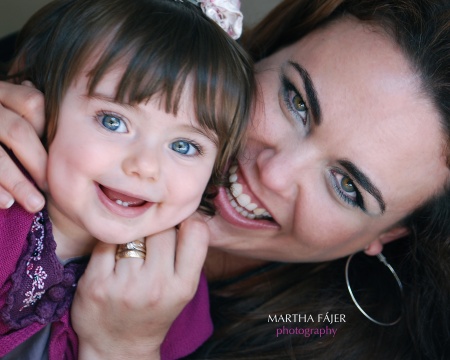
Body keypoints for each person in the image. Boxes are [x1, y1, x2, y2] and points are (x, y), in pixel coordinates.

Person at [0, 0, 449, 358]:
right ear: (265, 50)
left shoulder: (318, 332)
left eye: (347, 185)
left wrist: (122, 348)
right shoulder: (108, 54)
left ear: (388, 233)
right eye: (296, 102)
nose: (274, 174)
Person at [0, 0, 253, 359]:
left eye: (184, 145)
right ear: (37, 102)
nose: (145, 166)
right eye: (112, 121)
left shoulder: (172, 290)